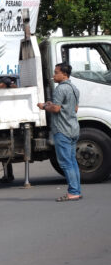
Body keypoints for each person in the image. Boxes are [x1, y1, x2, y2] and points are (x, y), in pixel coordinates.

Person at [38, 63, 82, 202]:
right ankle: (76, 190)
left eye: (56, 72)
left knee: (65, 163)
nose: (53, 75)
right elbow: (74, 109)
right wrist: (53, 105)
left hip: (62, 130)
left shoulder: (60, 89)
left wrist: (44, 106)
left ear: (64, 74)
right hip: (73, 128)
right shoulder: (74, 89)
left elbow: (56, 109)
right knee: (72, 161)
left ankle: (73, 192)